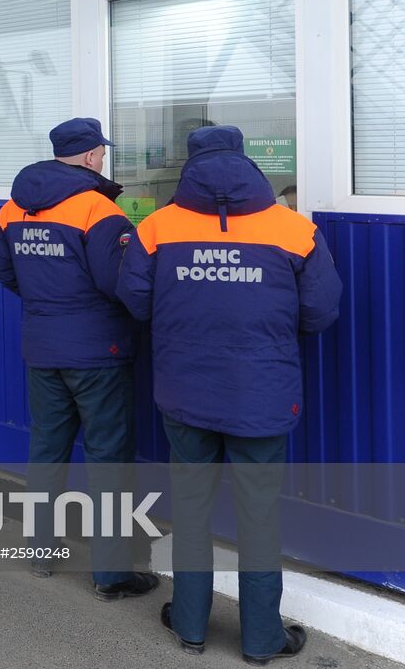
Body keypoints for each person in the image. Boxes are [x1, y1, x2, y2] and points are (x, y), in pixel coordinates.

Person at [117, 126, 341, 665]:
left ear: (189, 166)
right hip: (261, 396)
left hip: (185, 393)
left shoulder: (158, 226)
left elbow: (135, 300)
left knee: (192, 510)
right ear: (245, 162)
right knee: (259, 516)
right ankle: (262, 640)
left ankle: (190, 625)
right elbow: (320, 311)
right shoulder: (292, 228)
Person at [0, 117, 157, 599]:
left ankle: (40, 554)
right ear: (88, 156)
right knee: (108, 458)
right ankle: (111, 574)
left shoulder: (12, 208)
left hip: (42, 346)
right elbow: (118, 283)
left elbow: (5, 272)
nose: (103, 158)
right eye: (101, 152)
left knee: (46, 448)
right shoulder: (97, 210)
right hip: (96, 352)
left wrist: (49, 304)